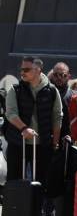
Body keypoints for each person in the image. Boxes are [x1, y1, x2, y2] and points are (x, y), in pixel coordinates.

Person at [4, 57, 62, 190]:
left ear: (38, 70)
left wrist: (55, 142)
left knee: (43, 182)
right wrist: (24, 128)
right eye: (21, 69)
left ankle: (40, 209)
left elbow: (57, 117)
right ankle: (15, 209)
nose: (22, 72)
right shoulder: (16, 89)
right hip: (18, 143)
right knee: (14, 180)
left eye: (26, 69)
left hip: (43, 145)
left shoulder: (52, 91)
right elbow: (11, 113)